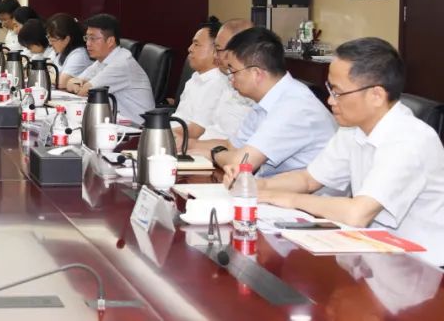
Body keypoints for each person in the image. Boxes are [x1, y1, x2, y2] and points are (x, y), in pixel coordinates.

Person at [237, 38, 444, 266]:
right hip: (377, 254)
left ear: (376, 95)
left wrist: (285, 199)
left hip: (424, 268)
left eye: (338, 92)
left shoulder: (409, 139)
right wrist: (258, 186)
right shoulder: (353, 128)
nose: (330, 100)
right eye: (330, 90)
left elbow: (357, 213)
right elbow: (308, 180)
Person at [209, 27, 336, 176]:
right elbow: (232, 147)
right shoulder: (267, 100)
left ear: (256, 73)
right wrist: (191, 147)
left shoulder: (294, 106)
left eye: (233, 71)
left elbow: (241, 163)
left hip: (299, 190)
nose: (230, 77)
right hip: (270, 186)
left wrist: (215, 153)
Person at [63, 13, 154, 125]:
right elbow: (70, 83)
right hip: (115, 122)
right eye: (87, 38)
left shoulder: (121, 63)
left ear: (110, 41)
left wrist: (80, 86)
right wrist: (79, 85)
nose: (88, 43)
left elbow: (85, 92)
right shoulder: (102, 60)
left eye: (93, 38)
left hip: (136, 127)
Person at [186, 18, 255, 153]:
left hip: (220, 156)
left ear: (239, 50)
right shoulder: (229, 79)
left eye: (218, 49)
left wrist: (190, 145)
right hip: (207, 150)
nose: (215, 55)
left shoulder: (254, 91)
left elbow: (237, 148)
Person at [45, 13, 92, 80]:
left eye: (53, 40)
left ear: (67, 39)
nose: (50, 43)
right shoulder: (60, 51)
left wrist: (47, 74)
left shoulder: (79, 55)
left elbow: (61, 81)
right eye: (48, 38)